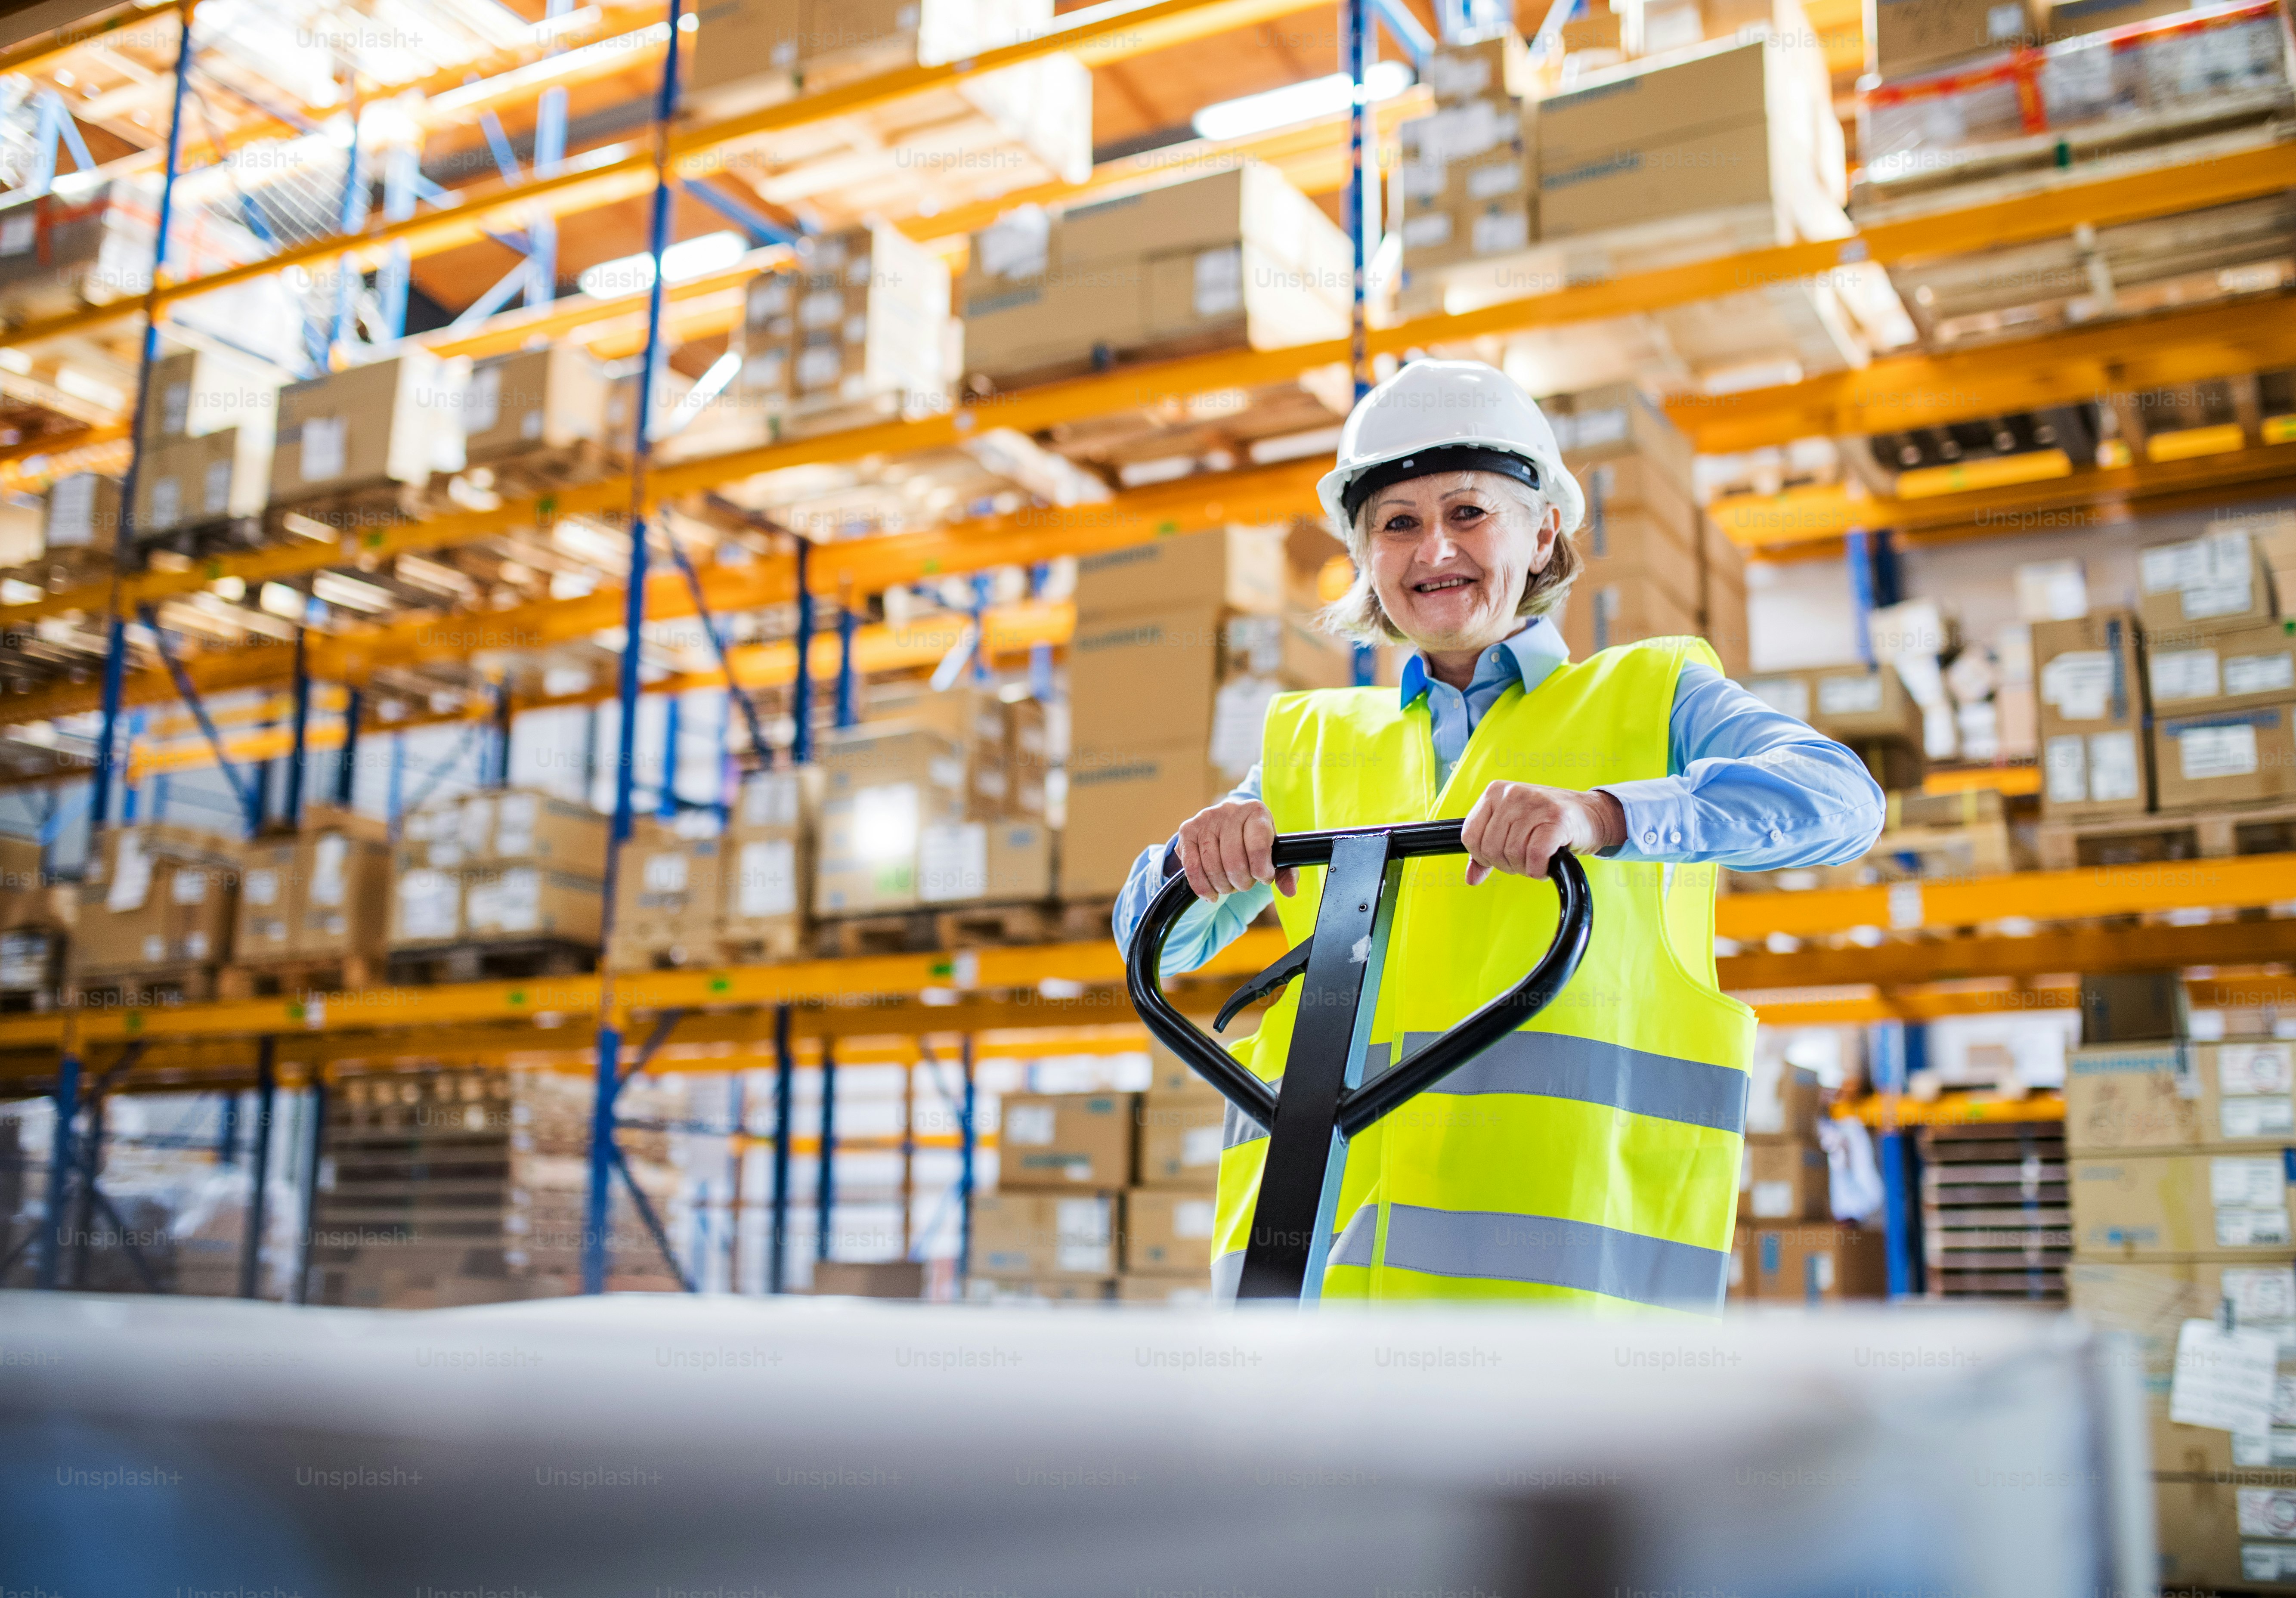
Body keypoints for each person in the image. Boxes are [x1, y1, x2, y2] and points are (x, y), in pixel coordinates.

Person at [1111, 359, 1886, 1309]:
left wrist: (1606, 815)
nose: (1434, 546)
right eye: (1397, 522)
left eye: (1469, 510)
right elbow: (1153, 935)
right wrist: (1192, 862)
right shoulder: (1310, 746)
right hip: (1311, 1299)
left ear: (1543, 526)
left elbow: (1841, 802)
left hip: (1556, 1320)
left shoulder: (1651, 701)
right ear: (1364, 556)